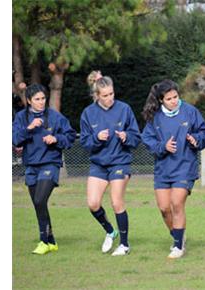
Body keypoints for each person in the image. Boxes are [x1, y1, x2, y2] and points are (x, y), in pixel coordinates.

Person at [141, 80, 205, 259]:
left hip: (185, 167)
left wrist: (196, 140)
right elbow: (148, 141)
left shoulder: (190, 112)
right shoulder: (154, 117)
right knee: (164, 208)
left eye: (176, 97)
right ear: (161, 100)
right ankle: (178, 236)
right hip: (163, 169)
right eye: (169, 99)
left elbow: (204, 133)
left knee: (177, 204)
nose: (174, 101)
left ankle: (178, 247)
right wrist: (163, 147)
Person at [80, 76, 141, 256]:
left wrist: (126, 137)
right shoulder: (88, 113)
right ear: (97, 96)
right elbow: (85, 143)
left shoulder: (125, 109)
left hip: (120, 162)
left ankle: (124, 245)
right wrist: (96, 139)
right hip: (99, 164)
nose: (109, 98)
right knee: (93, 203)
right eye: (105, 95)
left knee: (116, 202)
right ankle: (110, 231)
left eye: (111, 94)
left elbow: (136, 137)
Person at [12, 84, 76, 254]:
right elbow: (15, 139)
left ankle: (43, 241)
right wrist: (29, 128)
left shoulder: (55, 117)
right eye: (37, 99)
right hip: (31, 166)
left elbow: (70, 136)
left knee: (40, 200)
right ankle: (51, 241)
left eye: (43, 99)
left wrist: (56, 138)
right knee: (38, 204)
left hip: (50, 163)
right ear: (28, 101)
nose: (41, 102)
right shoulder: (21, 117)